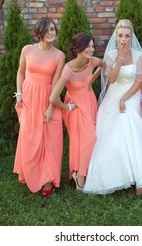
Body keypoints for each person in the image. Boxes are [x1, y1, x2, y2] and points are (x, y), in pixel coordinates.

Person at [83, 19, 142, 195]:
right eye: (120, 36)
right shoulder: (111, 55)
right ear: (116, 36)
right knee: (111, 134)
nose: (124, 39)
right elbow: (111, 79)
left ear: (132, 36)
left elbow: (140, 80)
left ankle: (140, 178)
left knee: (130, 126)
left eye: (127, 36)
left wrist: (125, 99)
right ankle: (116, 176)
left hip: (131, 96)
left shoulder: (139, 55)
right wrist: (119, 58)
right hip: (113, 96)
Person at [13, 17, 65, 198]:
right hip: (28, 98)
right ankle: (31, 173)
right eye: (48, 30)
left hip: (48, 98)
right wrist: (19, 93)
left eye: (53, 29)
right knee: (30, 137)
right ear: (40, 32)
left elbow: (57, 82)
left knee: (50, 139)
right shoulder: (27, 50)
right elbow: (20, 72)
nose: (51, 33)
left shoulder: (59, 55)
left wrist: (52, 106)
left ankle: (49, 179)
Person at [49, 33, 102, 191]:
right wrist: (67, 107)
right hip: (75, 106)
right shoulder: (68, 69)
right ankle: (80, 177)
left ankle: (80, 173)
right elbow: (53, 97)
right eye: (88, 46)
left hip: (90, 101)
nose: (91, 49)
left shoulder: (92, 61)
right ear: (77, 48)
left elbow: (104, 65)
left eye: (93, 46)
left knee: (85, 140)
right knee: (88, 139)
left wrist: (91, 81)